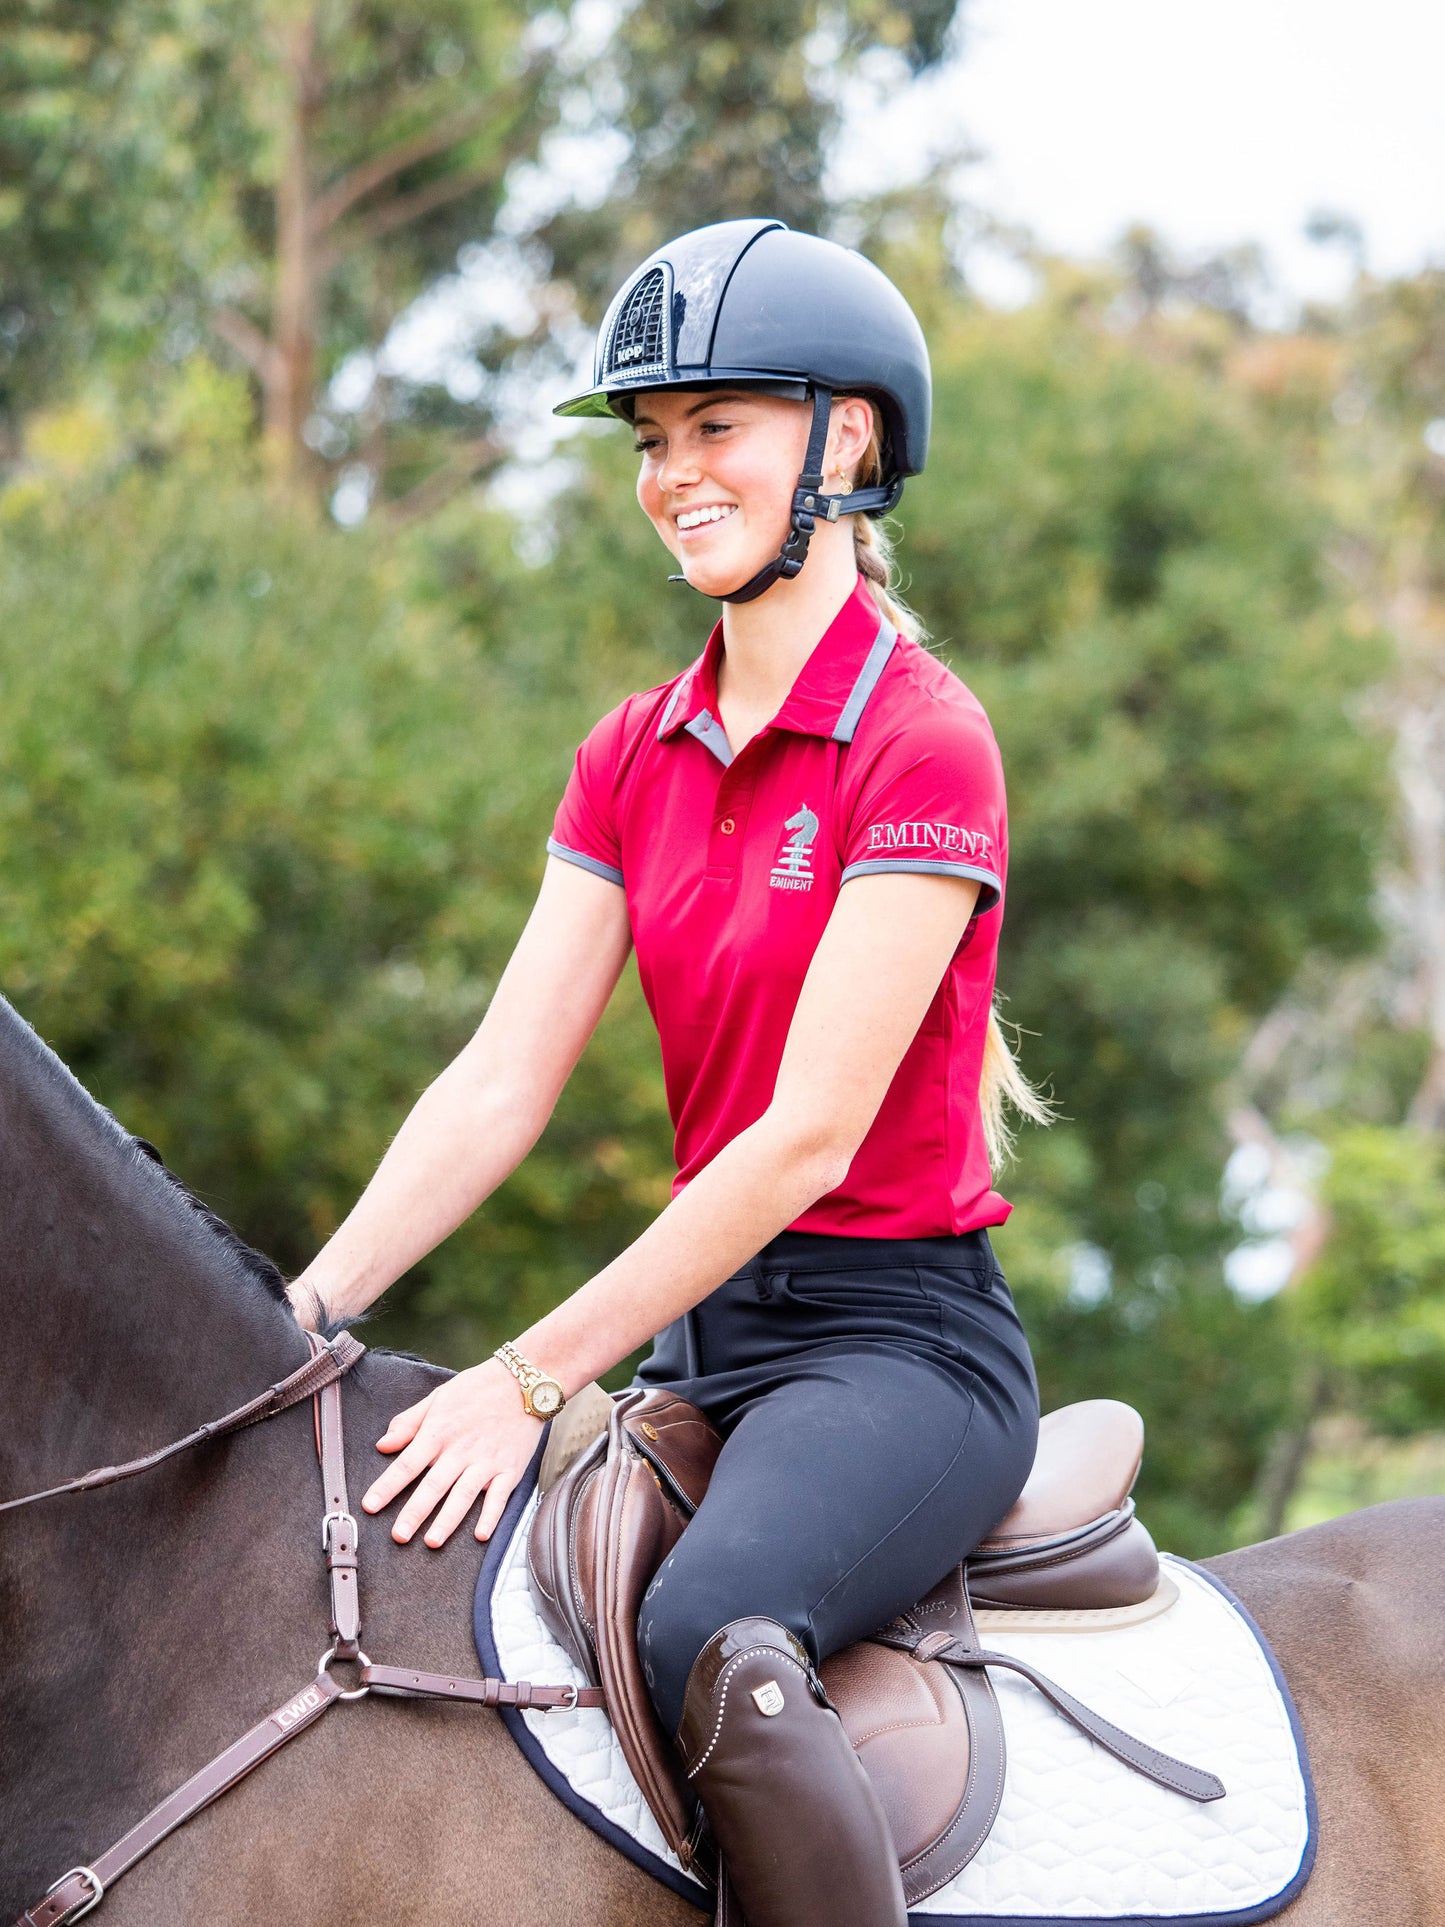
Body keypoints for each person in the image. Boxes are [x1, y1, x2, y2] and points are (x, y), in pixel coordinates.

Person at [288, 218, 1046, 1927]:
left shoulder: (925, 739)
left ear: (843, 441)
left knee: (707, 1633)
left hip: (899, 1352)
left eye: (718, 429)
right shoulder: (632, 751)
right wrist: (302, 1313)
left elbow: (800, 1142)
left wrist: (529, 1374)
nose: (672, 477)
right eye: (652, 441)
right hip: (717, 1352)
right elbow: (499, 1079)